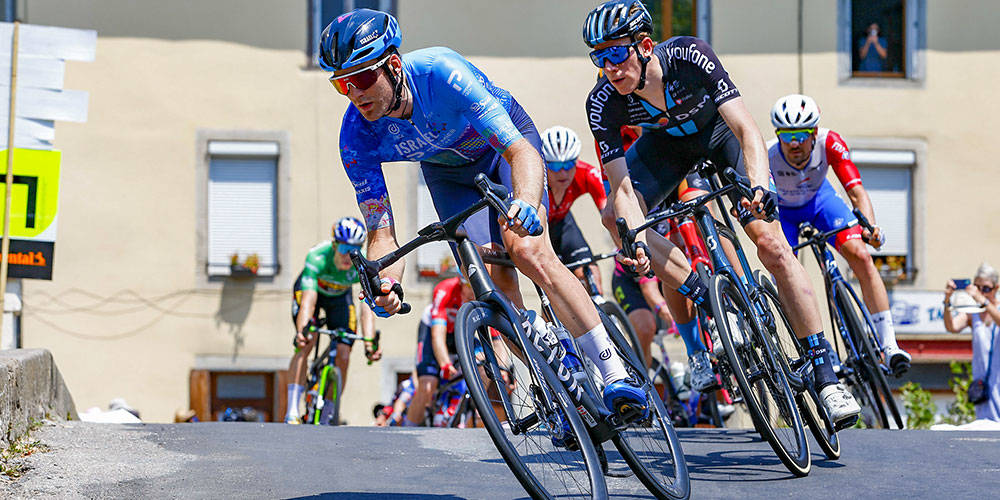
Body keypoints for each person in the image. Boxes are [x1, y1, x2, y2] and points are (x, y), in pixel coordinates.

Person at [320, 9, 648, 429]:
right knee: (490, 283)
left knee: (527, 249)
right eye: (342, 84)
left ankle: (613, 373)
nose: (355, 94)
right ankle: (556, 388)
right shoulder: (356, 137)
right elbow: (381, 231)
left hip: (504, 147)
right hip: (446, 173)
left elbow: (521, 152)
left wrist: (527, 202)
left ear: (394, 65)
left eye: (362, 78)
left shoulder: (442, 73)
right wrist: (386, 282)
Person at [583, 0, 859, 426]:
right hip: (665, 150)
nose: (610, 68)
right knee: (614, 219)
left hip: (719, 135)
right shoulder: (603, 102)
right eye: (599, 59)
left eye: (617, 54)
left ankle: (826, 375)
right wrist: (634, 236)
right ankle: (703, 295)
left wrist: (761, 188)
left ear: (644, 46)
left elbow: (747, 129)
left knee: (770, 243)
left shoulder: (689, 55)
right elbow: (620, 185)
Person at [768, 93, 911, 375]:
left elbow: (856, 192)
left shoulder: (829, 143)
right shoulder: (769, 155)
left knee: (859, 254)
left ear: (815, 133)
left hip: (820, 202)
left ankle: (888, 345)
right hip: (784, 212)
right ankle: (813, 346)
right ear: (778, 135)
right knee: (785, 276)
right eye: (787, 136)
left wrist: (870, 226)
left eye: (801, 135)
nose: (794, 144)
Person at [284, 217, 380, 425]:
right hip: (312, 293)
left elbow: (367, 307)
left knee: (344, 354)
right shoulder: (318, 257)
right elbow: (308, 302)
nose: (349, 254)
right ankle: (292, 407)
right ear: (335, 244)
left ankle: (329, 410)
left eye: (355, 248)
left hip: (339, 298)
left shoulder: (360, 265)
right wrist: (303, 330)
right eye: (344, 247)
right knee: (307, 341)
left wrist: (370, 342)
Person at [541, 125, 606, 292]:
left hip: (564, 224)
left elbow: (610, 213)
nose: (563, 173)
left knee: (589, 272)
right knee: (552, 287)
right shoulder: (536, 180)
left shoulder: (587, 174)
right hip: (539, 231)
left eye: (569, 164)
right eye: (555, 166)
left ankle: (603, 310)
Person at [405, 276, 475, 426]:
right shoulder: (445, 289)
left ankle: (472, 418)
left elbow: (496, 338)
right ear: (461, 284)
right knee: (427, 385)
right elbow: (438, 334)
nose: (472, 291)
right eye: (469, 286)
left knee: (484, 369)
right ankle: (408, 429)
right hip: (434, 331)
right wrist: (444, 363)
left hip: (461, 334)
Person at [944, 263, 1000, 421]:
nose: (981, 292)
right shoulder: (973, 313)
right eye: (977, 287)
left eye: (986, 288)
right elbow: (952, 327)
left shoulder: (995, 309)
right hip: (982, 382)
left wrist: (982, 300)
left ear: (996, 288)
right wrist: (948, 300)